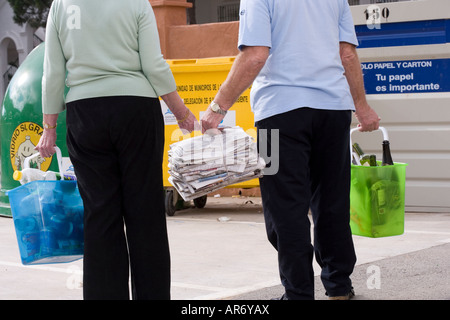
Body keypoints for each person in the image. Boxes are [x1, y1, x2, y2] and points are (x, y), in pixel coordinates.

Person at [201, 0, 380, 300]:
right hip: (333, 111)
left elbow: (256, 55)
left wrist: (217, 107)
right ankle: (338, 286)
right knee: (332, 199)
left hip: (277, 114)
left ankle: (298, 293)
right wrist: (361, 107)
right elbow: (346, 53)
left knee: (284, 206)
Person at [36, 0, 197, 300]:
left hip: (85, 113)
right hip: (136, 109)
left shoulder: (61, 5)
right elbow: (153, 64)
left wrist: (49, 128)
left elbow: (53, 71)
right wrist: (181, 112)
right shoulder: (136, 2)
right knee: (145, 213)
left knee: (99, 214)